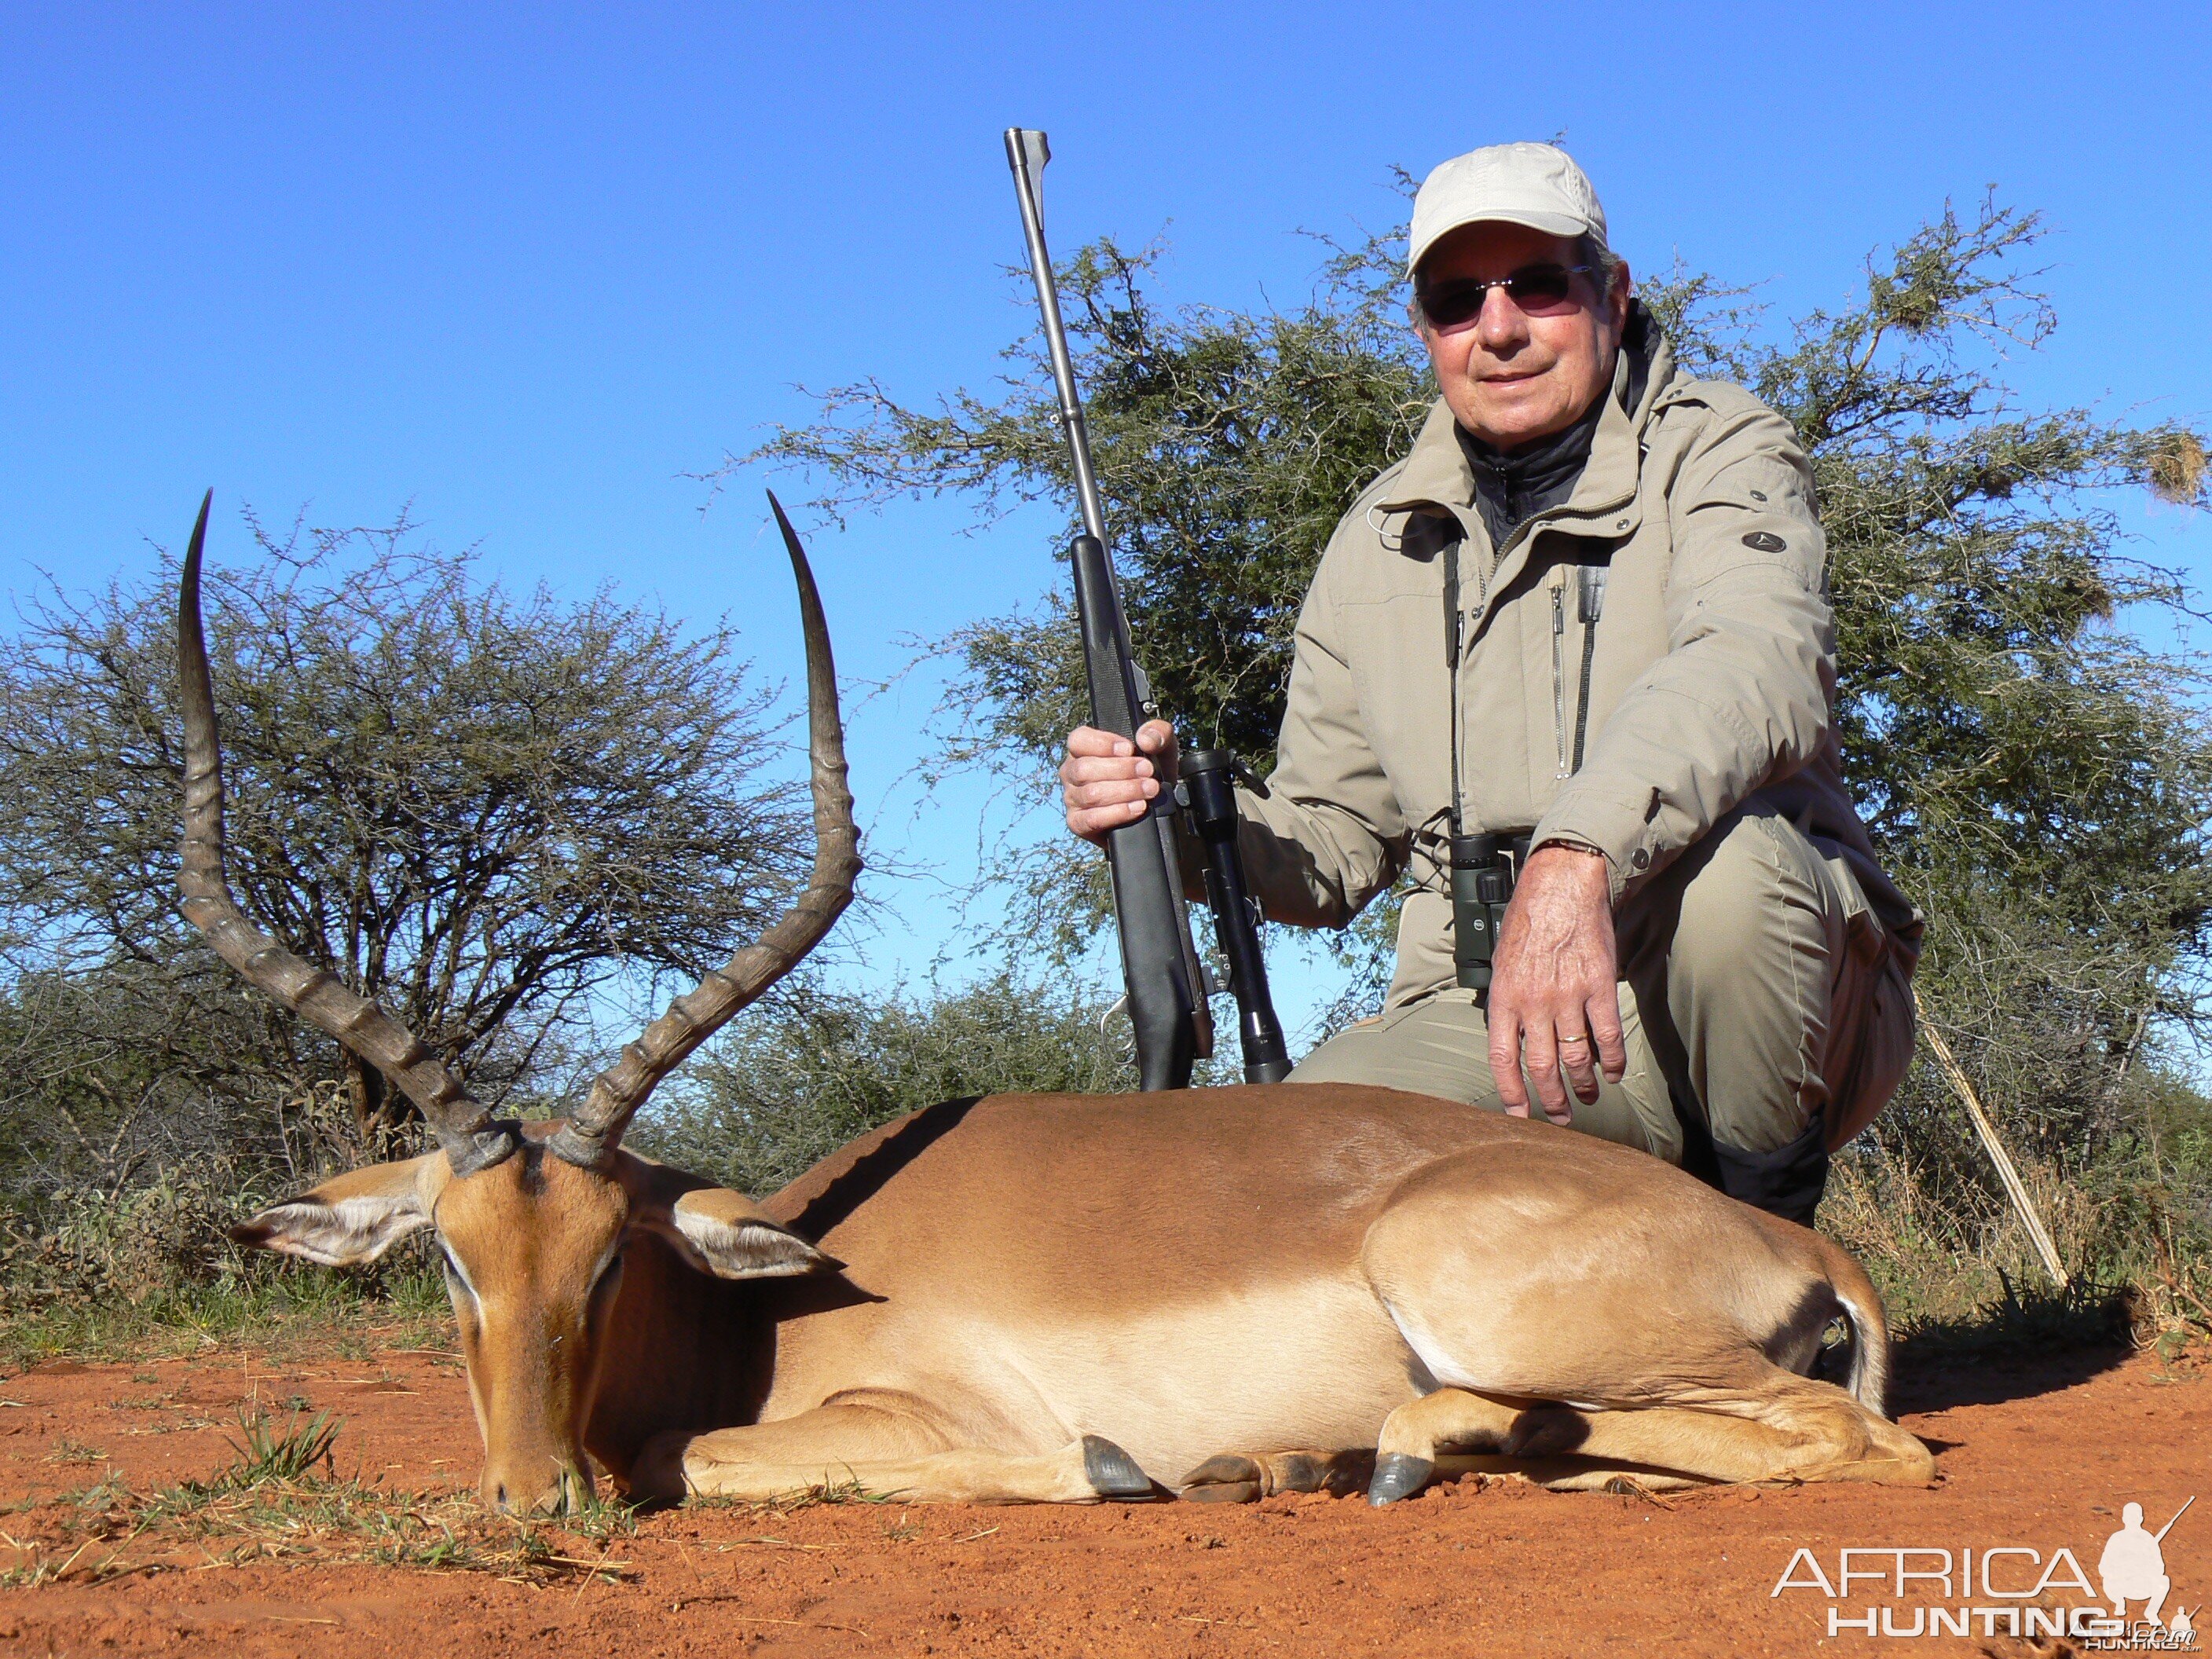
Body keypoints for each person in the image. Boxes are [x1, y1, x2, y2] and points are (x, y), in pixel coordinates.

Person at [1059, 142, 1921, 1224]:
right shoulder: (1374, 541)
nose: (1500, 328)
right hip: (1494, 1018)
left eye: (1539, 284)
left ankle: (1778, 1278)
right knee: (1286, 1170)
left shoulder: (1723, 449)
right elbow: (1331, 846)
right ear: (1425, 329)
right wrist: (1171, 821)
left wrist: (1578, 856)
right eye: (1459, 299)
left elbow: (1758, 664)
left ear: (1611, 291)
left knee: (1736, 883)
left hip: (1735, 1004)